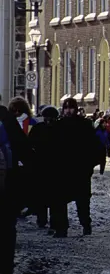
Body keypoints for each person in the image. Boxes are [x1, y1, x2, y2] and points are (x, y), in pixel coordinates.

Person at [49, 98, 100, 238]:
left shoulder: (84, 125)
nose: (68, 111)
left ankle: (86, 224)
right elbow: (52, 147)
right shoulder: (58, 126)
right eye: (66, 108)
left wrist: (90, 165)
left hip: (80, 169)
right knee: (60, 200)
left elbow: (93, 146)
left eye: (71, 108)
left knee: (82, 200)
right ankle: (61, 228)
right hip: (62, 170)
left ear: (75, 109)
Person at [0, 104, 32, 274]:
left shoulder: (8, 122)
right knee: (6, 231)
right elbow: (26, 153)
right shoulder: (9, 122)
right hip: (8, 189)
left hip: (8, 187)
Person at [28, 106, 58, 229]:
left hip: (48, 166)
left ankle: (46, 220)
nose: (48, 120)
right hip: (45, 166)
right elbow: (30, 145)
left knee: (47, 195)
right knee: (46, 195)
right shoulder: (42, 128)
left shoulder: (41, 128)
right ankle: (44, 219)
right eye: (47, 117)